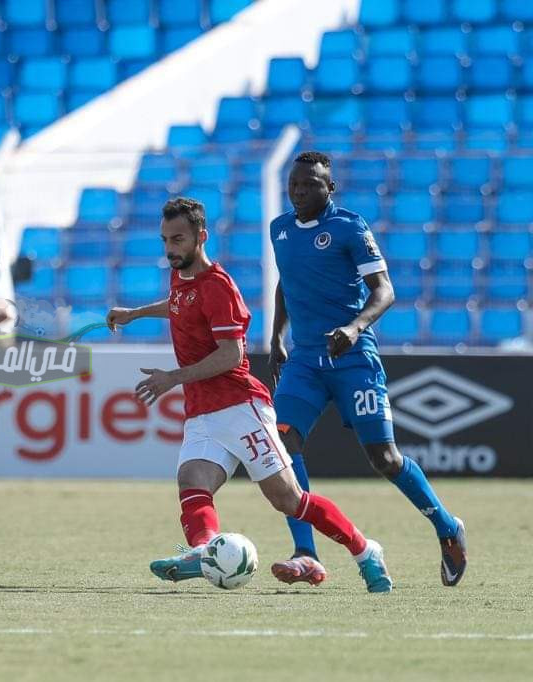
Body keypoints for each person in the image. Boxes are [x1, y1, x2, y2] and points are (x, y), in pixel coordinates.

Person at [107, 197, 392, 593]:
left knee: (289, 500)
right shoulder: (182, 277)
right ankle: (206, 553)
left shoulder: (219, 287)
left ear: (200, 237)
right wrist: (135, 313)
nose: (170, 248)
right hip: (202, 410)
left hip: (241, 407)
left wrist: (173, 377)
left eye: (178, 240)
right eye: (165, 240)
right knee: (193, 484)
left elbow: (232, 355)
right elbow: (178, 305)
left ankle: (365, 551)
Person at [267, 152, 466, 587]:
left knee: (385, 458)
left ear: (329, 188)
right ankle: (306, 553)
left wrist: (356, 327)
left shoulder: (349, 227)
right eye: (294, 185)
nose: (300, 192)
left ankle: (448, 528)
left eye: (310, 185)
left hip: (353, 359)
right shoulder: (279, 229)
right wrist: (276, 337)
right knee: (282, 443)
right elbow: (287, 280)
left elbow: (385, 290)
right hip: (304, 360)